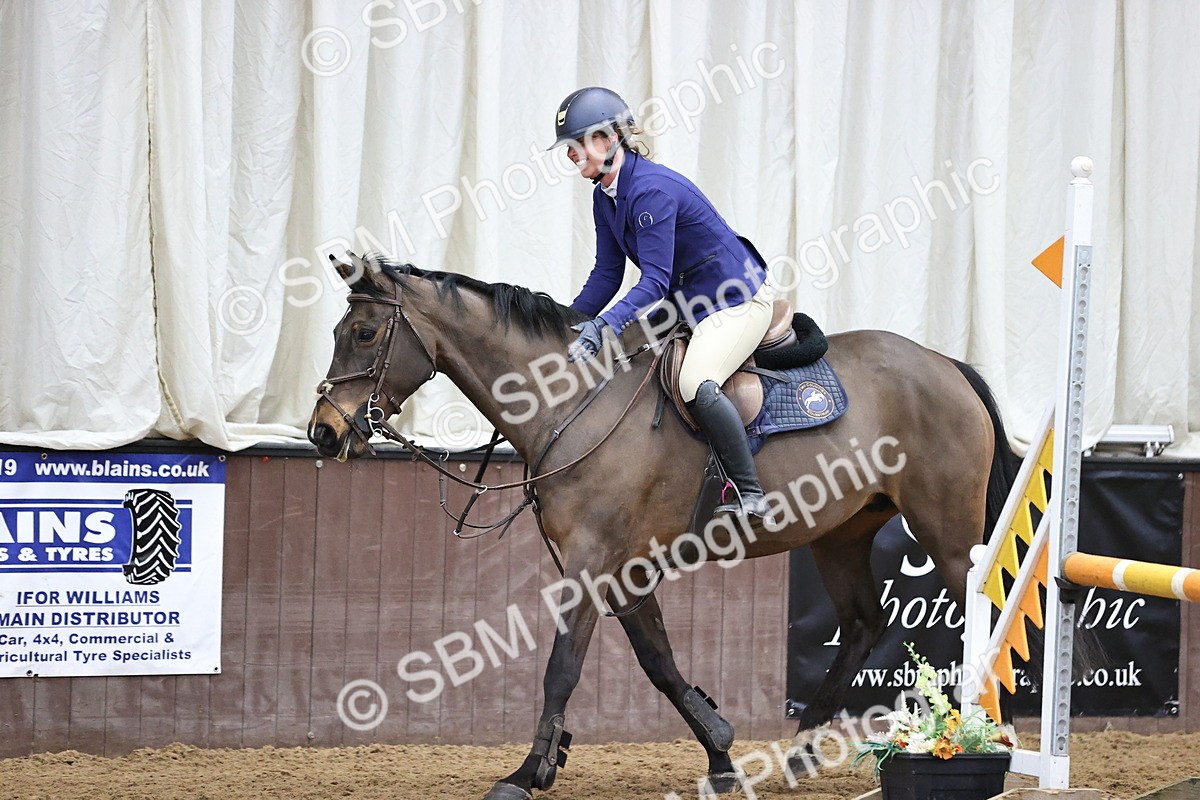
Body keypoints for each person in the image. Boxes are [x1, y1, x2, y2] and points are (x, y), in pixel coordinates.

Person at [552, 86, 774, 520]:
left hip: (733, 298)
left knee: (695, 383)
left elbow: (654, 280)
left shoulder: (651, 191)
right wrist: (571, 323)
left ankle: (751, 494)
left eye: (577, 144)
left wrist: (607, 324)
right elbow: (606, 274)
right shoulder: (605, 195)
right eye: (569, 148)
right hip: (689, 301)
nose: (571, 156)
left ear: (609, 139)